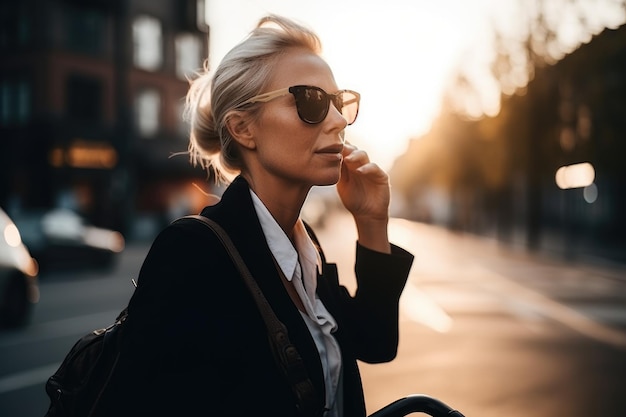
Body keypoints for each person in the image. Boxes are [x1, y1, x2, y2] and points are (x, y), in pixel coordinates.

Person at [102, 14, 414, 417]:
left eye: (339, 102)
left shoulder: (304, 248)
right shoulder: (192, 253)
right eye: (312, 101)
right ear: (243, 128)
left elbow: (374, 343)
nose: (338, 121)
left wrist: (372, 221)